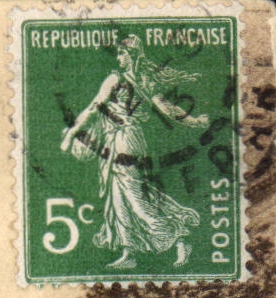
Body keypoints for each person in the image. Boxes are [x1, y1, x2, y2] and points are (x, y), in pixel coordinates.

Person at [61, 35, 208, 270]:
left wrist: (71, 134)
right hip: (131, 140)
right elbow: (169, 110)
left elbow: (93, 107)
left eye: (122, 53)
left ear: (131, 56)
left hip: (122, 141)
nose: (118, 58)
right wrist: (195, 121)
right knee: (120, 198)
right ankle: (129, 252)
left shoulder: (115, 78)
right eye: (118, 53)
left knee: (136, 199)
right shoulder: (146, 81)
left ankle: (179, 238)